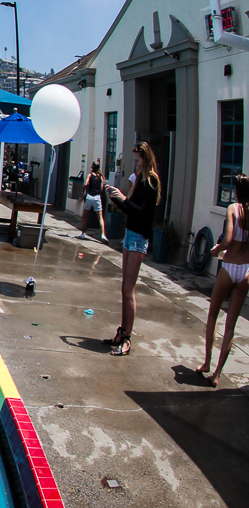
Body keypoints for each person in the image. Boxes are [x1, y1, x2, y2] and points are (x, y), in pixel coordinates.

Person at [103, 142, 161, 357]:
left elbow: (143, 212)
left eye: (138, 160)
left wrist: (123, 198)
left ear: (146, 158)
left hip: (138, 238)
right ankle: (122, 330)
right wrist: (117, 198)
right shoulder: (140, 180)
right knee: (124, 289)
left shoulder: (151, 181)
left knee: (129, 290)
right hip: (130, 235)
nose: (135, 164)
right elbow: (130, 209)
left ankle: (127, 337)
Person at [199, 173, 249, 386]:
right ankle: (217, 374)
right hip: (245, 271)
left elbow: (227, 239)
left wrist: (216, 250)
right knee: (231, 326)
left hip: (229, 268)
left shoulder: (233, 209)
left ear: (236, 191)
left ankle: (207, 363)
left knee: (213, 315)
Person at [78, 161, 107, 241]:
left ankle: (83, 233)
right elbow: (101, 189)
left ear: (92, 167)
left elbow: (85, 184)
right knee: (100, 217)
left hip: (89, 196)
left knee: (85, 216)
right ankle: (103, 235)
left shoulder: (90, 175)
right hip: (97, 197)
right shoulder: (101, 177)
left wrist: (83, 193)